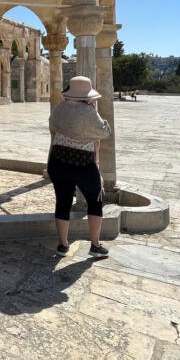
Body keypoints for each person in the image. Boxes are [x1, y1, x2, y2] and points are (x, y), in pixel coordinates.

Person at [48, 76, 113, 257]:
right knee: (95, 201)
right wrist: (95, 114)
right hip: (83, 163)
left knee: (62, 202)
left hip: (59, 161)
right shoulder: (89, 112)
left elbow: (52, 125)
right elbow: (105, 132)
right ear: (86, 95)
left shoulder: (59, 108)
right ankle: (95, 245)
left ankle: (62, 245)